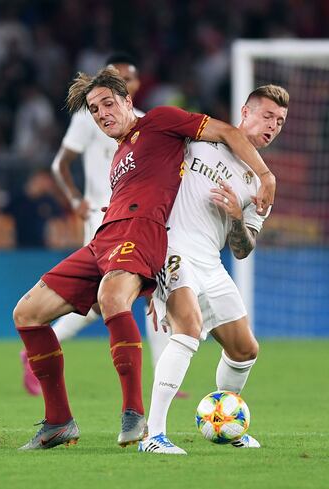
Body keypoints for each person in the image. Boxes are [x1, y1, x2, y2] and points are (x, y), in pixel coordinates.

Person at [13, 67, 275, 451]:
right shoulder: (120, 155)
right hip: (104, 238)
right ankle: (58, 421)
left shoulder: (161, 121)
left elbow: (226, 132)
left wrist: (264, 175)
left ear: (127, 101)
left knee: (113, 299)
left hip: (143, 234)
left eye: (108, 103)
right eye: (94, 109)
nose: (102, 114)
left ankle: (136, 416)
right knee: (27, 313)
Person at [138, 85, 289, 455]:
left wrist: (238, 218)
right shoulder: (199, 141)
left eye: (280, 122)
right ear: (245, 111)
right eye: (267, 115)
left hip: (211, 261)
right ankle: (152, 435)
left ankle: (225, 421)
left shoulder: (258, 185)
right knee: (188, 330)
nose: (273, 126)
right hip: (171, 248)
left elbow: (242, 249)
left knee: (245, 350)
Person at [19, 53, 172, 397]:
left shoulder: (147, 124)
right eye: (119, 76)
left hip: (140, 222)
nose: (125, 82)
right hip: (101, 221)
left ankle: (164, 376)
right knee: (103, 302)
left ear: (132, 89)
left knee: (129, 300)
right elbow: (61, 164)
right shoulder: (89, 119)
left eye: (130, 79)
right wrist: (75, 200)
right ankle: (42, 346)